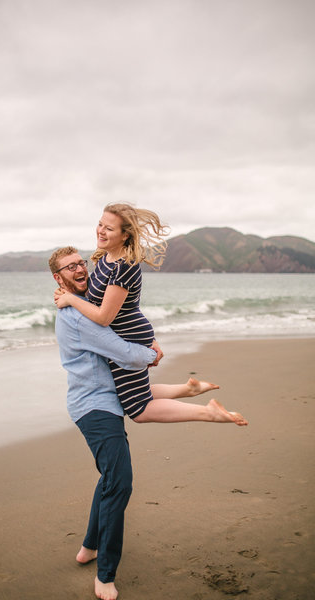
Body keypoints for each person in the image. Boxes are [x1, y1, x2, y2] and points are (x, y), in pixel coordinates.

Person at [54, 204, 248, 427]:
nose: (101, 231)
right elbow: (95, 298)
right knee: (137, 393)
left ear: (124, 235)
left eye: (109, 228)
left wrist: (71, 300)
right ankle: (189, 389)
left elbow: (104, 317)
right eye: (100, 224)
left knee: (138, 408)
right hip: (128, 332)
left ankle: (208, 412)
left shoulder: (124, 266)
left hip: (129, 335)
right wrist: (66, 292)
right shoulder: (103, 258)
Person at [49, 246, 158, 600]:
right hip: (94, 407)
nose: (80, 268)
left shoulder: (83, 303)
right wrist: (151, 354)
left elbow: (112, 308)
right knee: (121, 482)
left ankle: (89, 547)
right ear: (58, 278)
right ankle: (105, 575)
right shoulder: (78, 317)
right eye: (70, 267)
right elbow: (123, 352)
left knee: (110, 478)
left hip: (102, 403)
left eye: (81, 262)